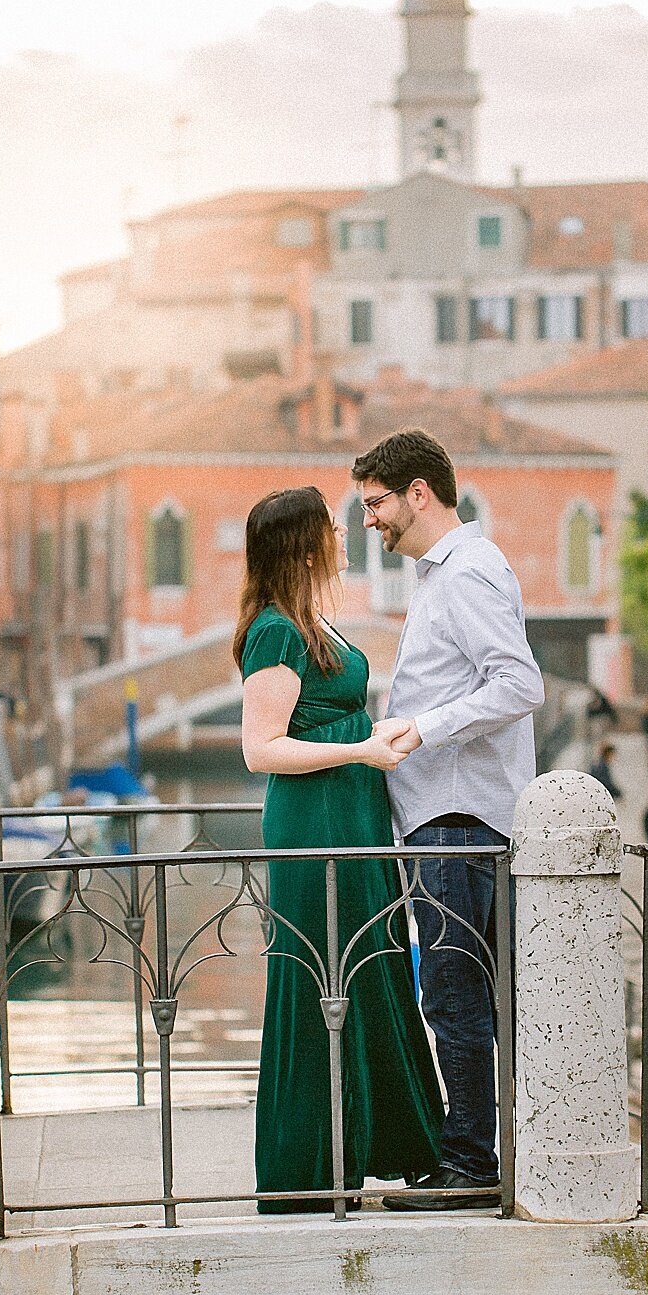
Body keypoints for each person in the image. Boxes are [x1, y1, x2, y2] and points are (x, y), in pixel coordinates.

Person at [351, 431, 545, 1212]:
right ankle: (485, 1156)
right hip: (449, 820)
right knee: (468, 997)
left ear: (418, 493)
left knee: (456, 998)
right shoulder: (449, 574)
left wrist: (421, 730)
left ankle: (471, 1166)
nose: (369, 521)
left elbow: (518, 684)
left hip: (459, 822)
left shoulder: (465, 573)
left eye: (375, 504)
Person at [236, 486, 444, 1213]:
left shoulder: (309, 621)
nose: (344, 531)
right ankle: (310, 1171)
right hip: (316, 823)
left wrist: (373, 740)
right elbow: (259, 750)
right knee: (323, 979)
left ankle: (388, 1149)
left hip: (351, 815)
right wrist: (360, 746)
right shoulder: (274, 631)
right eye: (330, 524)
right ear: (302, 544)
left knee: (372, 970)